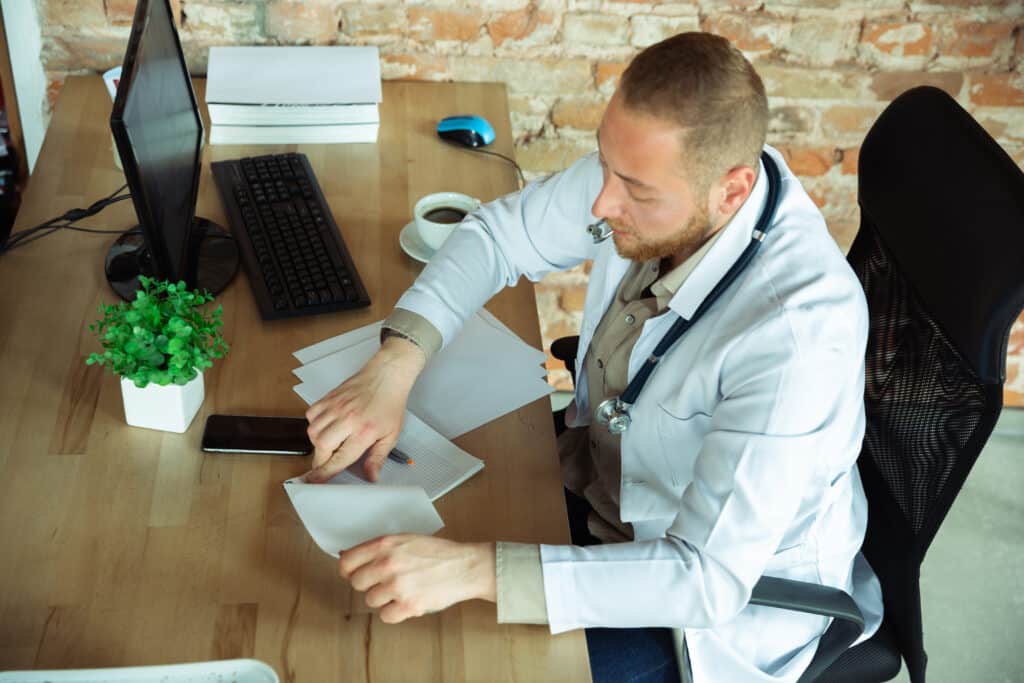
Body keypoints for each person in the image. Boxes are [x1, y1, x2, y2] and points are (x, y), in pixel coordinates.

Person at [303, 32, 883, 683]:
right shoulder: (663, 166)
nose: (603, 206)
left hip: (695, 615)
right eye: (605, 166)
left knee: (440, 663)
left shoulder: (797, 337)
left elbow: (705, 579)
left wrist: (468, 569)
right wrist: (397, 363)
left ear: (732, 190)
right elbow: (498, 235)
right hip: (598, 482)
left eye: (635, 190)